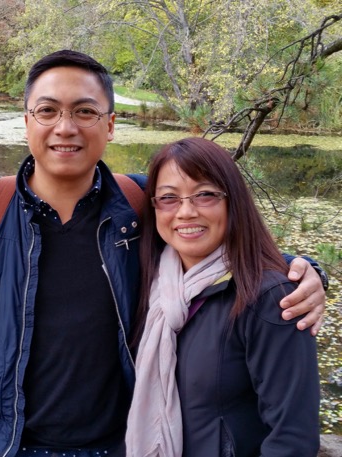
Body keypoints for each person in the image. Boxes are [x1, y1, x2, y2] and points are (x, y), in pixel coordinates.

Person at [0, 50, 326, 457]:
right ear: (27, 121)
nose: (65, 128)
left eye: (85, 112)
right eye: (47, 111)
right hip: (8, 444)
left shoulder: (140, 203)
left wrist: (305, 271)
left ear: (110, 125)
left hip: (123, 442)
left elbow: (223, 241)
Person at [126, 137, 320, 456]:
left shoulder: (271, 298)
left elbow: (292, 438)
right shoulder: (150, 281)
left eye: (205, 195)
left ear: (233, 200)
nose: (186, 212)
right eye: (169, 198)